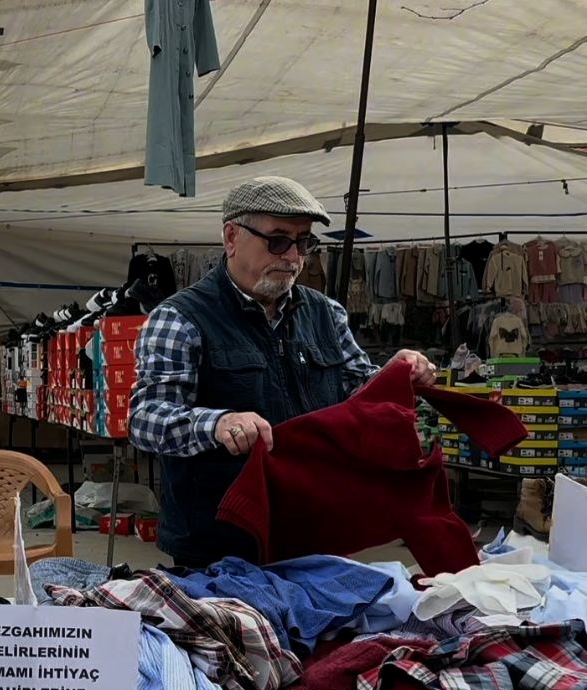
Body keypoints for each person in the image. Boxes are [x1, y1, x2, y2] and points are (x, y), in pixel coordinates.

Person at [129, 176, 436, 569]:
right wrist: (218, 423)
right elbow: (145, 418)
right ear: (231, 237)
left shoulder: (326, 313)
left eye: (304, 242)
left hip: (315, 533)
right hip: (218, 549)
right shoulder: (180, 318)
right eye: (278, 240)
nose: (293, 257)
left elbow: (358, 394)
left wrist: (395, 377)